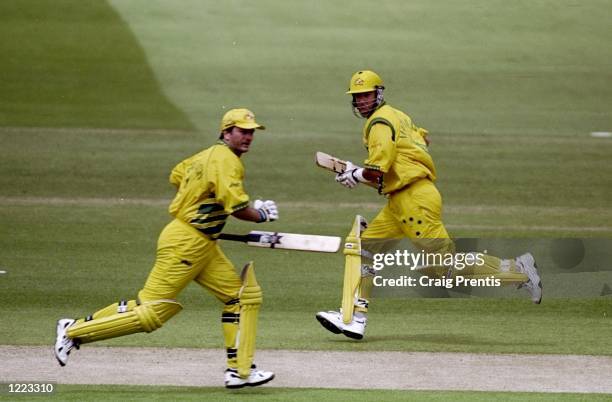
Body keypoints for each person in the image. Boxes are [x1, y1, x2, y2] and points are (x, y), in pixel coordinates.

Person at [54, 108, 277, 388]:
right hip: (187, 242)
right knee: (153, 311)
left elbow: (177, 175)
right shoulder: (227, 161)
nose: (248, 137)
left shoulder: (204, 155)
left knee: (240, 298)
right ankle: (75, 330)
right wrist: (261, 215)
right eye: (242, 131)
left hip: (202, 242)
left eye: (251, 131)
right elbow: (238, 208)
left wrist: (198, 203)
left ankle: (239, 370)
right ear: (226, 132)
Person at [315, 70, 542, 340]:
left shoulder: (379, 124)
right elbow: (419, 146)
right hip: (401, 201)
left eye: (366, 95)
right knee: (364, 250)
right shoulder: (398, 116)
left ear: (379, 94)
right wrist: (356, 171)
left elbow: (377, 172)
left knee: (443, 268)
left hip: (414, 203)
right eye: (357, 97)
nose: (362, 101)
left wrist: (356, 174)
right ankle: (355, 319)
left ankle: (518, 271)